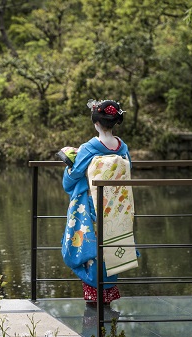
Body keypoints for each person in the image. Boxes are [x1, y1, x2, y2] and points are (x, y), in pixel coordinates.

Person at [60, 99, 133, 305]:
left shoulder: (89, 147)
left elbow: (71, 179)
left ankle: (93, 301)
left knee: (91, 251)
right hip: (115, 208)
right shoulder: (122, 148)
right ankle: (107, 298)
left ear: (96, 123)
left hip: (92, 207)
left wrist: (69, 165)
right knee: (109, 248)